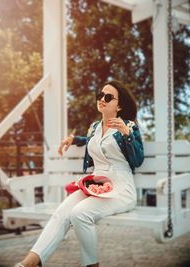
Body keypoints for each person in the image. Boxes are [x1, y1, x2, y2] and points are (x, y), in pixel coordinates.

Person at [14, 80, 144, 267]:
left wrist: (126, 134)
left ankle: (91, 264)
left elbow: (138, 159)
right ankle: (30, 262)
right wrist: (74, 139)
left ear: (119, 105)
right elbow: (93, 140)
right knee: (62, 212)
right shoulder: (94, 127)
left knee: (80, 213)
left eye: (108, 97)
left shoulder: (129, 126)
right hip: (97, 185)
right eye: (100, 95)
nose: (102, 99)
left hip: (121, 189)